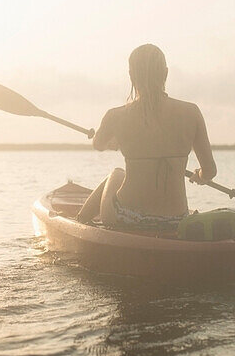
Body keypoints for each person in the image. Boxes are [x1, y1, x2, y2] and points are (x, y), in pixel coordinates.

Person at [76, 44, 217, 228]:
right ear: (165, 73)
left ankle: (79, 222)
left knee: (117, 173)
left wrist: (113, 140)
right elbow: (210, 171)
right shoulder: (192, 112)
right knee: (120, 174)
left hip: (126, 216)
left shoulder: (116, 116)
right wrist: (200, 175)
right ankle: (79, 222)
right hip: (176, 220)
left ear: (131, 75)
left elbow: (98, 144)